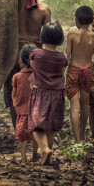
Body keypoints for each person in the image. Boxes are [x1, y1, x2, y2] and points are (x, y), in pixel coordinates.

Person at [3, 0, 51, 127]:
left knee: (13, 92)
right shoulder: (44, 9)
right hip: (35, 55)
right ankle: (35, 127)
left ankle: (18, 127)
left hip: (12, 54)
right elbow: (48, 37)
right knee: (36, 91)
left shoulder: (10, 6)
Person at [27, 21, 68, 166]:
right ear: (60, 38)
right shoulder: (63, 57)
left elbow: (34, 68)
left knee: (35, 125)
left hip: (40, 92)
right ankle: (48, 152)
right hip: (57, 93)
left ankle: (45, 149)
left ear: (43, 36)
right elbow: (61, 73)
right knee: (50, 127)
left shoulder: (36, 53)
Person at [66, 5, 94, 142]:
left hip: (74, 70)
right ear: (91, 20)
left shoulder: (72, 35)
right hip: (88, 71)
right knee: (85, 104)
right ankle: (82, 134)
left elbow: (67, 57)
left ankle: (77, 140)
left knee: (74, 107)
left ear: (77, 20)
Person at [11, 43, 39, 165]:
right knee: (36, 134)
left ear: (21, 59)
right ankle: (34, 156)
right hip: (36, 111)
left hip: (22, 111)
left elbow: (13, 94)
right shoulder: (38, 76)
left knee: (22, 137)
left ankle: (23, 159)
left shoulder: (17, 76)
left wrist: (16, 105)